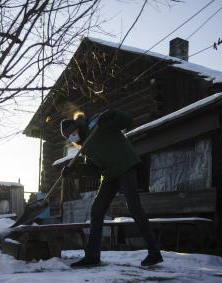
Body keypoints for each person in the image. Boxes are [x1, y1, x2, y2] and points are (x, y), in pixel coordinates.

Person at [60, 109, 163, 268]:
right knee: (97, 210)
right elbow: (94, 168)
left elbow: (127, 120)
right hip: (109, 175)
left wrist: (113, 114)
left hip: (125, 165)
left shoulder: (97, 123)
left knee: (134, 207)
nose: (72, 136)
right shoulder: (85, 145)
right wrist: (74, 170)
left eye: (72, 132)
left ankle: (154, 252)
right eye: (69, 136)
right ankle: (93, 257)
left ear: (77, 126)